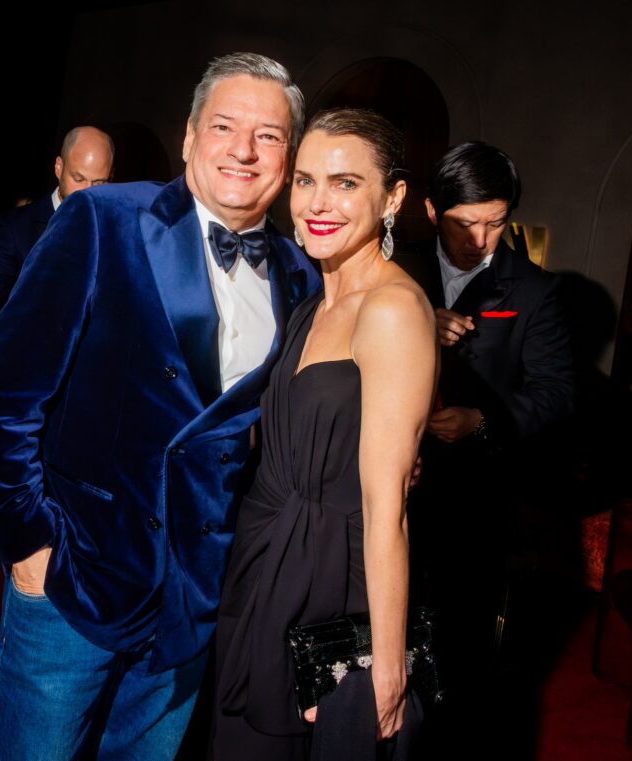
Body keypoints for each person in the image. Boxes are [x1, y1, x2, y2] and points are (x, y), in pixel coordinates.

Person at [0, 53, 320, 760]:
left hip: (192, 599)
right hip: (75, 578)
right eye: (224, 126)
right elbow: (1, 393)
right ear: (190, 137)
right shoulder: (103, 219)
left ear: (289, 156)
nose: (244, 150)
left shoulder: (298, 272)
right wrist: (30, 546)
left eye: (269, 135)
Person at [211, 108, 437, 760]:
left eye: (344, 183)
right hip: (261, 561)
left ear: (392, 196)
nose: (317, 203)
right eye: (306, 180)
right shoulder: (313, 298)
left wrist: (388, 663)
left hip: (334, 583)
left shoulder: (392, 308)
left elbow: (384, 506)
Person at [407, 141, 575, 753]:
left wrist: (484, 418)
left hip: (475, 493)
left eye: (495, 222)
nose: (481, 239)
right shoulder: (393, 269)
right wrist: (413, 316)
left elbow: (557, 393)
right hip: (391, 478)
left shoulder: (533, 290)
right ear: (430, 210)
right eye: (465, 223)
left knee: (461, 638)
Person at [0, 125, 114, 345]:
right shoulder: (14, 227)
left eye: (98, 183)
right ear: (58, 167)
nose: (87, 193)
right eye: (78, 178)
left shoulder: (118, 235)